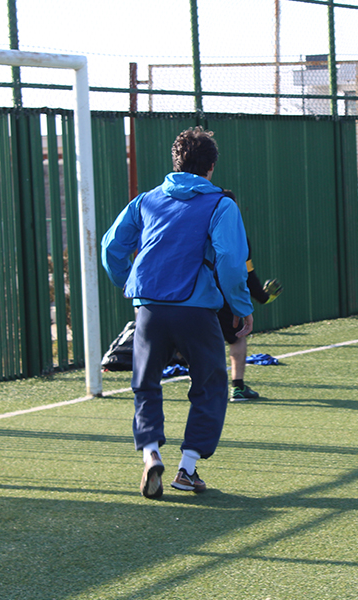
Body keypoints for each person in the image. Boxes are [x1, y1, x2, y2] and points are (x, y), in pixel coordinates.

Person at [101, 127, 253, 499]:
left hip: (150, 308)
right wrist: (241, 306)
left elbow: (111, 248)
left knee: (146, 383)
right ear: (211, 167)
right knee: (211, 384)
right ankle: (187, 468)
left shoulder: (146, 200)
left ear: (177, 161)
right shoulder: (221, 204)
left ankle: (151, 454)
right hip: (196, 309)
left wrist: (129, 284)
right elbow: (232, 261)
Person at [212, 218, 282, 401]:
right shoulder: (237, 237)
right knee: (237, 337)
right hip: (225, 297)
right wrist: (264, 297)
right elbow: (247, 274)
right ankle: (238, 387)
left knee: (201, 341)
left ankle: (200, 385)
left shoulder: (197, 233)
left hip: (196, 297)